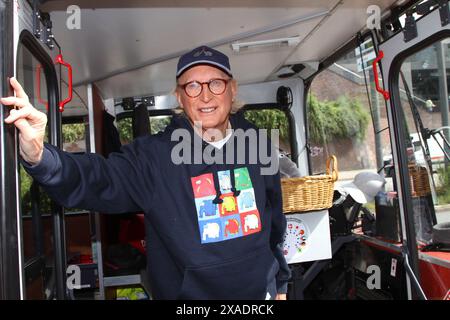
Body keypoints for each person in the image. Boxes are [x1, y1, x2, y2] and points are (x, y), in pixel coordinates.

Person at [2, 45, 291, 300]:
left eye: (215, 83)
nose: (205, 95)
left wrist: (280, 281)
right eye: (192, 86)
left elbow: (275, 220)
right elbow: (99, 178)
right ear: (180, 96)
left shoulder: (258, 144)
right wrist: (40, 155)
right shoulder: (154, 158)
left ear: (232, 89)